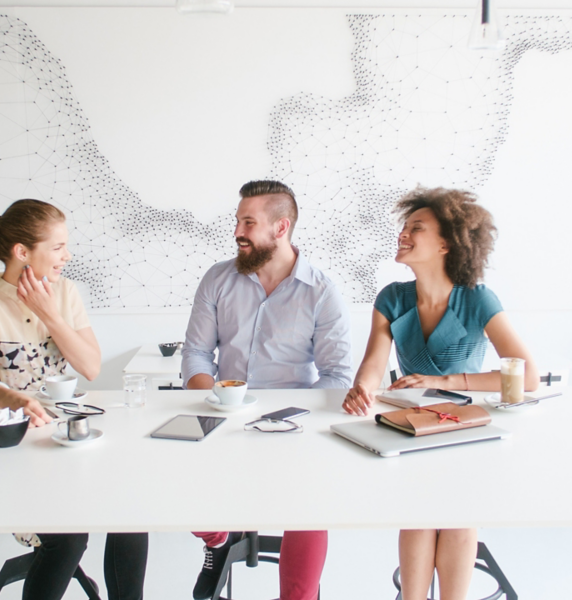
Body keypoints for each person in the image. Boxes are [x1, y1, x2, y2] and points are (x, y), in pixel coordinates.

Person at [342, 187, 538, 600]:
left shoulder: (478, 299)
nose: (404, 234)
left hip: (468, 430)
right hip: (415, 427)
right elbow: (374, 364)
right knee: (417, 515)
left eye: (417, 228)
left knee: (458, 515)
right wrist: (362, 387)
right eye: (405, 227)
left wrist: (447, 383)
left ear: (446, 243)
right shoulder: (392, 298)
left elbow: (527, 376)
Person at [0, 199, 147, 600]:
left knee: (131, 515)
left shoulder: (65, 293)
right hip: (19, 451)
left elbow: (90, 367)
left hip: (73, 440)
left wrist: (49, 312)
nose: (66, 256)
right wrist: (14, 398)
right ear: (23, 253)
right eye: (57, 247)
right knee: (68, 538)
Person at [182, 180, 353, 600]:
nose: (238, 231)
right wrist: (218, 400)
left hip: (293, 424)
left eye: (248, 222)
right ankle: (219, 538)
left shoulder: (322, 291)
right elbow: (196, 355)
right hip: (223, 413)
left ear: (281, 228)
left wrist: (296, 419)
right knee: (172, 482)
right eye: (238, 220)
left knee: (309, 507)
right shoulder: (218, 279)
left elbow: (336, 375)